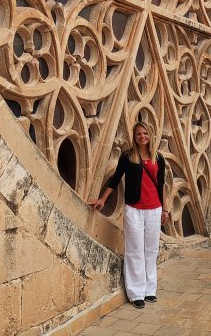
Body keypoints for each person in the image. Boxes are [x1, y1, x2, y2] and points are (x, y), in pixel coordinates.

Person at [88, 122, 170, 309]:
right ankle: (136, 292)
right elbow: (115, 179)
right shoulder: (128, 157)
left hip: (154, 210)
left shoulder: (158, 158)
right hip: (134, 209)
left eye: (145, 133)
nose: (142, 136)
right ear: (134, 137)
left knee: (151, 250)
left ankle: (150, 290)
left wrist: (165, 209)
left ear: (151, 135)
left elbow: (161, 184)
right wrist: (102, 199)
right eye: (139, 134)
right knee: (134, 251)